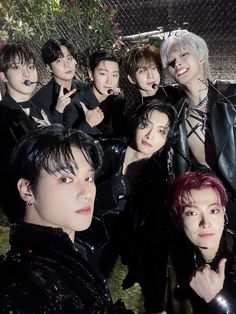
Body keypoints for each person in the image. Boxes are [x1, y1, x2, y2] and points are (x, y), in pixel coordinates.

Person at [0, 124, 133, 313]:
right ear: (27, 190)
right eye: (65, 179)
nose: (86, 193)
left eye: (88, 178)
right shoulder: (23, 285)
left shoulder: (71, 255)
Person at [81, 98, 177, 314]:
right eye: (146, 124)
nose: (151, 136)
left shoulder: (159, 178)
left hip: (117, 254)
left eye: (161, 131)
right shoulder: (107, 150)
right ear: (135, 123)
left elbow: (153, 240)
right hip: (82, 239)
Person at [160, 30, 236, 230]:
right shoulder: (175, 115)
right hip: (205, 213)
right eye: (171, 61)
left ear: (201, 56)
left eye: (184, 54)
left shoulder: (232, 98)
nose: (177, 63)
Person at [170, 172, 236, 313]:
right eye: (192, 213)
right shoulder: (181, 248)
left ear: (223, 213)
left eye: (213, 210)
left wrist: (216, 298)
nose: (205, 223)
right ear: (177, 220)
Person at [0, 41, 52, 221]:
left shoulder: (41, 108)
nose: (27, 73)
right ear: (3, 76)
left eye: (30, 66)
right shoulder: (3, 115)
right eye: (16, 67)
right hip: (22, 208)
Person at [64, 49, 127, 137]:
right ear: (91, 75)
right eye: (103, 74)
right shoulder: (75, 106)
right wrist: (88, 125)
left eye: (114, 75)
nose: (109, 81)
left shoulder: (118, 99)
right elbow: (69, 145)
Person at [32, 38, 87, 123]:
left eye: (69, 58)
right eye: (59, 61)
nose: (67, 65)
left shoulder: (85, 88)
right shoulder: (39, 101)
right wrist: (58, 112)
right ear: (49, 68)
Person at [122, 43, 182, 110]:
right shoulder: (136, 112)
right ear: (132, 79)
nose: (150, 76)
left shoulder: (176, 94)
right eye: (142, 71)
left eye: (153, 68)